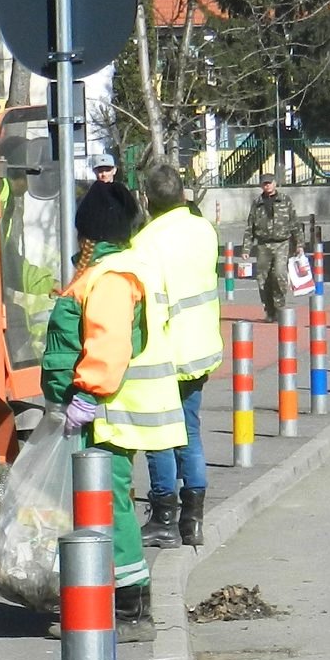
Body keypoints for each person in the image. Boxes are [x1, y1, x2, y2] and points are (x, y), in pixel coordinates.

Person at [40, 185, 185, 632]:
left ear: (90, 232)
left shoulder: (110, 277)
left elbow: (110, 344)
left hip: (108, 412)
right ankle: (109, 601)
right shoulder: (122, 267)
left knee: (109, 505)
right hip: (114, 410)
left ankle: (127, 608)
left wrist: (86, 395)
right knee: (104, 504)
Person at [130, 165, 221, 550]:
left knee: (160, 436)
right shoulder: (204, 230)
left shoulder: (146, 242)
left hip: (163, 351)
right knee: (191, 432)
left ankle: (164, 518)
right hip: (200, 347)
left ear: (147, 199)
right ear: (183, 193)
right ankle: (193, 520)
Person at [245, 173, 304, 322]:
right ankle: (269, 309)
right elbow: (250, 227)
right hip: (263, 245)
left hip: (281, 243)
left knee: (279, 274)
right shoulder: (257, 203)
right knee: (263, 279)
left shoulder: (285, 200)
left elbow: (295, 223)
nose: (267, 186)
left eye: (270, 183)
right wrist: (246, 249)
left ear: (275, 183)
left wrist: (299, 244)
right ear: (261, 186)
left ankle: (279, 306)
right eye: (264, 184)